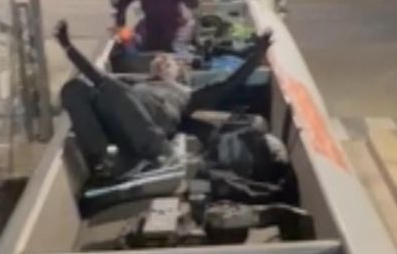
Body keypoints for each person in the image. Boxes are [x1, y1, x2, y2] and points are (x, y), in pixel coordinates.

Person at [55, 20, 272, 179]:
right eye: (158, 61)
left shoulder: (188, 94)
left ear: (179, 73)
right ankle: (104, 158)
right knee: (73, 89)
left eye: (168, 61)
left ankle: (147, 155)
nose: (162, 62)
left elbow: (230, 85)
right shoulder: (135, 83)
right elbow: (98, 76)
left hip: (149, 135)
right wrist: (67, 47)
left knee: (111, 87)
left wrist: (256, 55)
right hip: (117, 126)